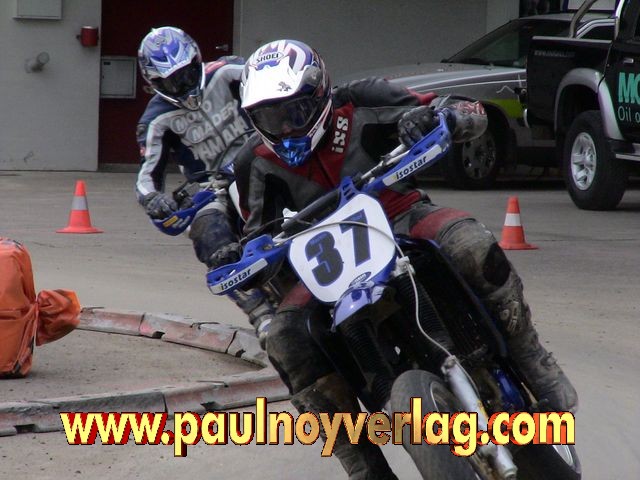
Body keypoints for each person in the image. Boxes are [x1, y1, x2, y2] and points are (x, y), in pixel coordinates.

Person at [224, 39, 579, 479]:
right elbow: (258, 232)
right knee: (283, 337)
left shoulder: (363, 101)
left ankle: (534, 361)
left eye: (293, 112)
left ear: (319, 95)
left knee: (471, 244)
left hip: (400, 216)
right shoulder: (254, 160)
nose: (284, 127)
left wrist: (435, 117)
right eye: (268, 117)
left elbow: (462, 110)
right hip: (325, 259)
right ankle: (362, 465)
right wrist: (242, 253)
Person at [135, 26, 274, 345]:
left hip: (267, 158)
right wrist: (153, 199)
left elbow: (277, 83)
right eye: (169, 82)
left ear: (197, 60)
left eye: (185, 74)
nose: (181, 86)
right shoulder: (155, 120)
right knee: (207, 232)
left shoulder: (229, 72)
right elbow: (146, 175)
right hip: (213, 187)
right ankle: (260, 312)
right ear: (152, 83)